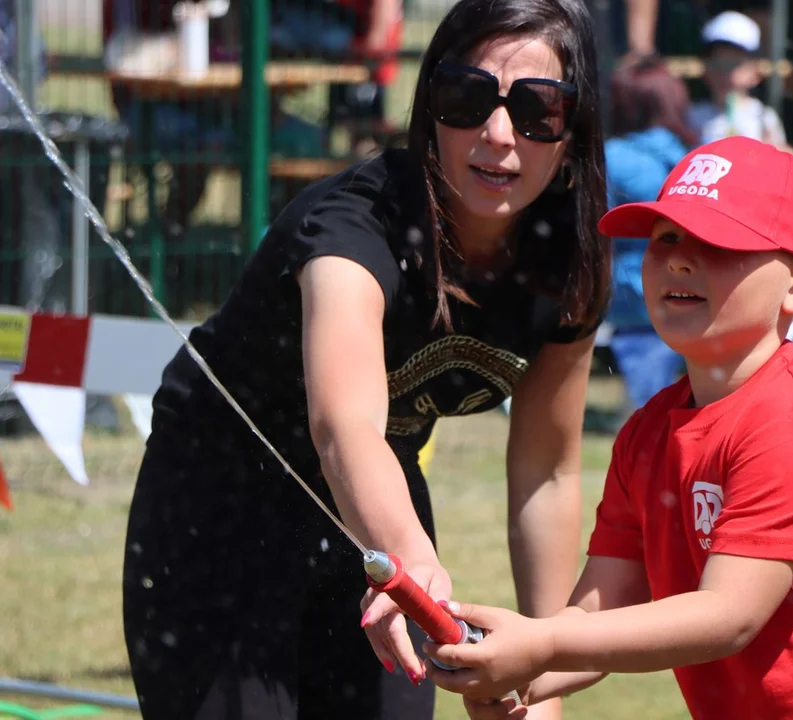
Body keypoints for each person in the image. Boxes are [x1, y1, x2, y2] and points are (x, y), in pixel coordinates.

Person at [121, 0, 610, 718]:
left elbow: (546, 470)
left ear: (576, 129)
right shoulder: (352, 229)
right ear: (429, 107)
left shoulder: (567, 264)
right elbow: (344, 427)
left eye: (539, 109)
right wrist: (415, 566)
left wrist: (542, 664)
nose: (498, 133)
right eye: (466, 97)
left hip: (371, 510)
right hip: (221, 504)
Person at [422, 137, 793, 720]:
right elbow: (596, 613)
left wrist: (541, 646)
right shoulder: (646, 433)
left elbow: (727, 616)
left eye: (717, 241)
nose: (680, 259)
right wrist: (516, 672)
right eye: (666, 237)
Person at [604, 57, 697, 423]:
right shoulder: (699, 156)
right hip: (697, 286)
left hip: (632, 295)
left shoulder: (611, 157)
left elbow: (599, 234)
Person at [688, 11, 787, 148]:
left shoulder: (763, 118)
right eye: (717, 65)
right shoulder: (692, 117)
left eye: (733, 66)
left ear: (755, 72)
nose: (724, 75)